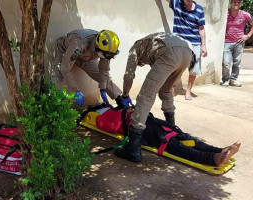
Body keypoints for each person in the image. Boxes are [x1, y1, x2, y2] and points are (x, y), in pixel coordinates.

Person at [115, 32, 196, 162]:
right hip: (187, 52)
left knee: (145, 96)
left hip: (170, 53)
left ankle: (133, 148)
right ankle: (171, 129)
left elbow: (129, 75)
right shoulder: (151, 45)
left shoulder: (134, 49)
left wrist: (125, 94)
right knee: (165, 90)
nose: (142, 64)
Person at [96, 107, 241, 166]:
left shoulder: (113, 111)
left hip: (149, 126)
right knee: (176, 140)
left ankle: (217, 153)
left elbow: (106, 124)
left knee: (178, 139)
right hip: (148, 127)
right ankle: (215, 155)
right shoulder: (113, 113)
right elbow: (107, 125)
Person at [52, 29, 124, 106]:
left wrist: (103, 88)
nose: (107, 57)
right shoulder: (79, 43)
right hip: (66, 53)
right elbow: (65, 68)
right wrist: (76, 90)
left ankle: (120, 99)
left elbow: (104, 70)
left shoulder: (105, 49)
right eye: (106, 55)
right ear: (97, 45)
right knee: (57, 79)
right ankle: (54, 106)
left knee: (104, 77)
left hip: (85, 57)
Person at [166, 0, 208, 100]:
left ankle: (188, 91)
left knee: (194, 69)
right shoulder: (176, 3)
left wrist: (203, 46)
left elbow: (201, 28)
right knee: (174, 67)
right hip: (179, 42)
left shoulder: (199, 9)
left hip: (195, 43)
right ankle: (171, 88)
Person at [221, 0, 253, 87]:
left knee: (237, 62)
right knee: (226, 62)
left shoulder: (245, 14)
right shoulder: (226, 14)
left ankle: (233, 80)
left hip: (239, 43)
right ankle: (225, 80)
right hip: (227, 42)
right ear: (231, 3)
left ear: (240, 3)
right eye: (234, 2)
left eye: (238, 2)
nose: (236, 4)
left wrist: (247, 36)